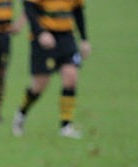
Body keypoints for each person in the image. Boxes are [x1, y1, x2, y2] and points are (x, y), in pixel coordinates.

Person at [11, 0, 90, 139]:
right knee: (40, 85)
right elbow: (29, 8)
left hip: (66, 37)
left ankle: (66, 125)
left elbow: (78, 11)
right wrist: (40, 33)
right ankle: (21, 113)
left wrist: (84, 39)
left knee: (71, 77)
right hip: (44, 38)